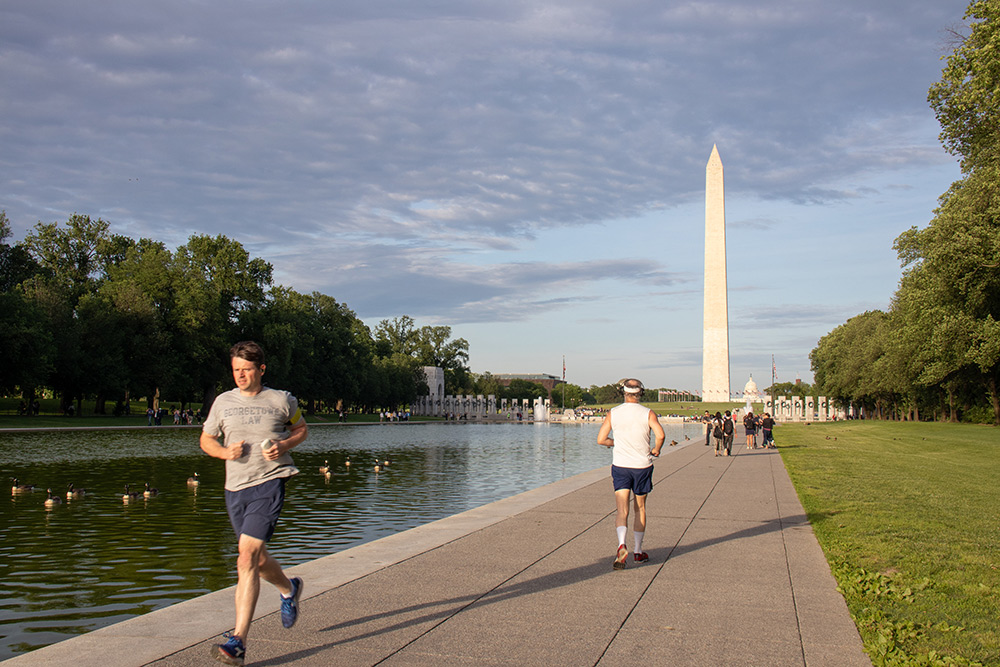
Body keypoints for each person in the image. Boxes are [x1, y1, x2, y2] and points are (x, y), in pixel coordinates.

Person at [200, 341, 309, 666]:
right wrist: (223, 452)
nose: (241, 376)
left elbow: (302, 429)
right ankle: (289, 589)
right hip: (235, 489)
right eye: (236, 370)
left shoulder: (281, 400)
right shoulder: (223, 402)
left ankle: (239, 641)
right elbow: (206, 439)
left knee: (245, 558)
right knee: (258, 562)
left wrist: (285, 444)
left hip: (269, 484)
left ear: (261, 369)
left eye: (247, 370)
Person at [597, 379, 666, 569]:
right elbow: (660, 435)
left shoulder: (614, 413)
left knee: (622, 510)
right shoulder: (648, 413)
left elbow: (601, 440)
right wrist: (657, 449)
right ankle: (637, 550)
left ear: (624, 393)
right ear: (640, 393)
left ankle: (621, 543)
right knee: (640, 508)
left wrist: (616, 443)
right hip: (642, 466)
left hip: (620, 466)